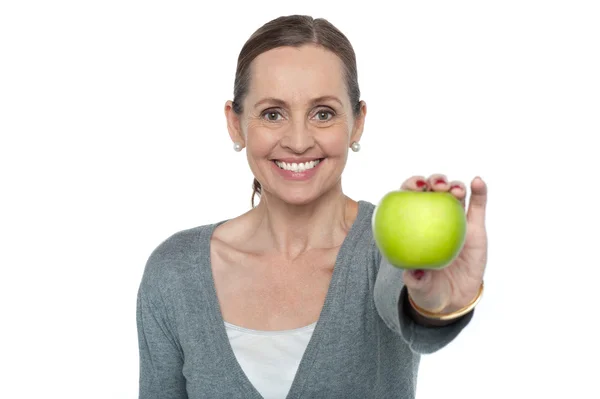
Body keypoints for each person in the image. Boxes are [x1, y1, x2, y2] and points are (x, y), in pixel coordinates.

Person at [136, 14, 488, 399]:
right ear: (236, 124)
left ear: (357, 123)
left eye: (323, 113)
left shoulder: (384, 252)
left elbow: (415, 303)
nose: (299, 141)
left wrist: (438, 302)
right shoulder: (175, 272)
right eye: (273, 114)